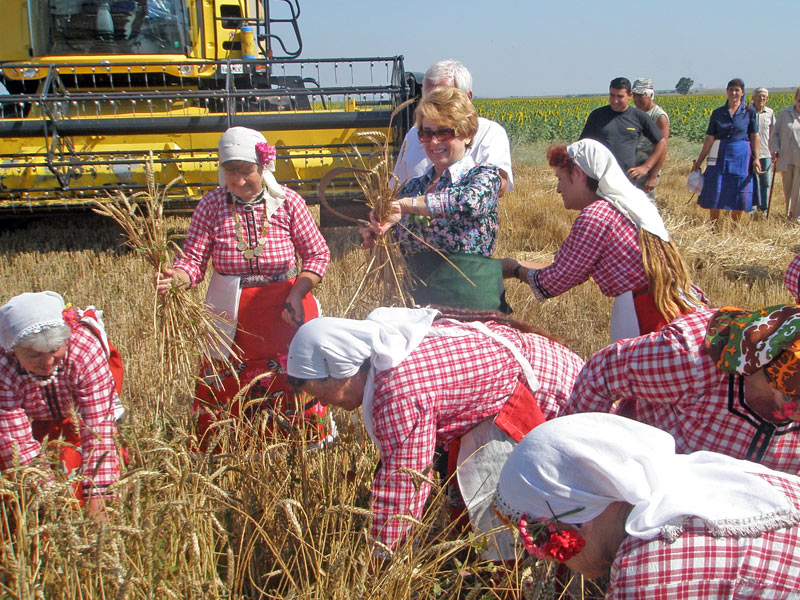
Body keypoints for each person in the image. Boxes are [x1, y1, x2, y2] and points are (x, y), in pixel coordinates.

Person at [285, 306, 584, 560]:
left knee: (537, 515)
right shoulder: (391, 345)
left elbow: (403, 482)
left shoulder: (397, 390)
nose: (325, 405)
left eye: (321, 394)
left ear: (342, 369)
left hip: (545, 390)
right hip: (516, 382)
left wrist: (382, 561)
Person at [154, 127, 334, 447]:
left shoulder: (287, 202)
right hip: (230, 317)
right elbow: (192, 261)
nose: (238, 181)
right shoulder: (210, 206)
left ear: (262, 167)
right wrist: (177, 278)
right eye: (230, 172)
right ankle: (233, 449)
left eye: (245, 171)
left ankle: (299, 447)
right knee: (229, 383)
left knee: (292, 378)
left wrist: (298, 292)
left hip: (285, 313)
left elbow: (317, 254)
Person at [494, 413, 800, 598]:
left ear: (577, 519)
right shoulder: (702, 472)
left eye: (536, 535)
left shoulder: (647, 570)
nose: (540, 553)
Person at [501, 139, 703, 343]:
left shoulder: (597, 215)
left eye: (560, 179)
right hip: (673, 302)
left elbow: (553, 282)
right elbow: (569, 270)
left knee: (630, 371)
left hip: (643, 313)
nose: (558, 190)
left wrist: (513, 269)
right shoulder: (631, 204)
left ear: (578, 174)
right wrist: (517, 265)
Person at [563, 304, 800, 475]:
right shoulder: (691, 357)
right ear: (772, 371)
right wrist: (583, 467)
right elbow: (604, 371)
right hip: (643, 486)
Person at [364, 87, 508, 312]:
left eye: (444, 132)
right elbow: (400, 241)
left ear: (467, 133)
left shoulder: (484, 176)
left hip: (471, 304)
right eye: (426, 133)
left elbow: (468, 202)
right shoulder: (413, 186)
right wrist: (378, 232)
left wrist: (407, 206)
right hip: (420, 305)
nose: (433, 141)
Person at [0, 292, 126, 517]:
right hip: (36, 421)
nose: (47, 362)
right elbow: (15, 442)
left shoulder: (84, 350)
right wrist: (51, 502)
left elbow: (98, 429)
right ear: (13, 350)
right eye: (33, 355)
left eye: (53, 351)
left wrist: (99, 499)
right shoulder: (4, 368)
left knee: (82, 471)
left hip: (78, 414)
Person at [393, 59, 513, 195]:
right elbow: (396, 190)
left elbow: (496, 187)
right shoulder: (413, 135)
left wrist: (415, 204)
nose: (434, 141)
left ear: (467, 98)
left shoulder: (490, 132)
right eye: (429, 99)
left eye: (445, 99)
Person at [692, 78, 760, 224]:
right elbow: (710, 138)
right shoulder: (717, 113)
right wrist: (699, 161)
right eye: (731, 89)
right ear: (727, 92)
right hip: (719, 155)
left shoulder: (749, 113)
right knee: (715, 186)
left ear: (742, 93)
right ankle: (714, 225)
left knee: (739, 190)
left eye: (737, 90)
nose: (734, 93)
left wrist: (756, 158)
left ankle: (734, 226)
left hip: (741, 157)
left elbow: (754, 136)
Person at [579, 77, 665, 182]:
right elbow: (582, 144)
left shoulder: (639, 117)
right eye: (612, 95)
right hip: (599, 178)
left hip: (626, 179)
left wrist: (646, 167)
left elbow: (661, 142)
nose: (615, 100)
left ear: (629, 96)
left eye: (620, 96)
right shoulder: (597, 115)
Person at [631, 78, 669, 197]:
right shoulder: (633, 113)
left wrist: (652, 176)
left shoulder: (658, 116)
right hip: (632, 167)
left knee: (646, 205)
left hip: (646, 169)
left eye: (640, 95)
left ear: (650, 95)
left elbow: (662, 148)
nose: (636, 99)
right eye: (634, 95)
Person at [770, 87, 800, 221]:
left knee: (798, 191)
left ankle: (797, 218)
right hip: (786, 157)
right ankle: (789, 215)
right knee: (787, 189)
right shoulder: (784, 113)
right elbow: (774, 134)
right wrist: (775, 148)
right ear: (795, 99)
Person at [751, 87, 775, 214]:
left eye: (764, 96)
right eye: (759, 95)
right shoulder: (748, 112)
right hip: (751, 153)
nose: (761, 98)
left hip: (766, 152)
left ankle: (764, 208)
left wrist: (775, 150)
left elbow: (774, 133)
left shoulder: (770, 113)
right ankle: (752, 207)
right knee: (752, 181)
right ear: (753, 98)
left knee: (765, 182)